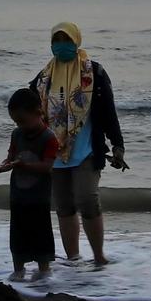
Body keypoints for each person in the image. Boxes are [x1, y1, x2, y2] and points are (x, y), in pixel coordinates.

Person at [28, 22, 125, 265]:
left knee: (88, 199)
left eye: (66, 40)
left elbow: (108, 112)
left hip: (87, 149)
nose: (61, 45)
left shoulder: (94, 73)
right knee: (64, 206)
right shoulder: (42, 78)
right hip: (55, 153)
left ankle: (99, 257)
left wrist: (117, 145)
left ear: (76, 41)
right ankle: (73, 259)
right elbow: (31, 115)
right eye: (56, 41)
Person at [0, 88, 59, 281]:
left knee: (41, 232)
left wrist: (24, 165)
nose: (20, 125)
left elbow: (48, 166)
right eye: (16, 122)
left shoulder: (49, 138)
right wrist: (1, 167)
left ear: (38, 112)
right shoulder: (17, 134)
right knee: (17, 233)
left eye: (22, 121)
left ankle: (44, 270)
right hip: (18, 195)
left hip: (39, 197)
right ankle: (18, 269)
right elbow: (10, 158)